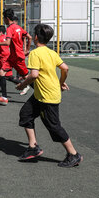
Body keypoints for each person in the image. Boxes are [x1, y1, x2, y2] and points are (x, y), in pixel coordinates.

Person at [15, 24, 83, 168]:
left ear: (35, 37)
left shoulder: (35, 53)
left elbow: (34, 75)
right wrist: (61, 82)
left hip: (47, 96)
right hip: (41, 94)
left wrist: (22, 85)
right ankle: (33, 147)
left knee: (54, 126)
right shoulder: (51, 52)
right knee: (25, 114)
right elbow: (65, 68)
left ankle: (74, 154)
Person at [0, 10, 31, 105]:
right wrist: (27, 50)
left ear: (7, 18)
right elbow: (29, 37)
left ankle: (41, 92)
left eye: (3, 18)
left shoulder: (10, 28)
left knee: (27, 77)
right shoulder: (18, 27)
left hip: (17, 57)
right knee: (1, 73)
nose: (3, 20)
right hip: (12, 57)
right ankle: (4, 98)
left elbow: (7, 43)